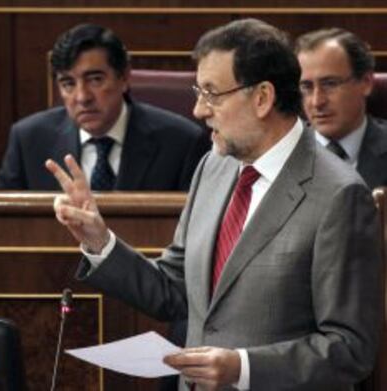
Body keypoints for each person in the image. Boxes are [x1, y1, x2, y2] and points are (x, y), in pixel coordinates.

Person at [46, 18, 382, 391]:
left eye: (211, 93)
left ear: (262, 98)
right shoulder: (214, 165)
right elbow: (175, 289)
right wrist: (100, 241)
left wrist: (243, 367)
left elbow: (350, 348)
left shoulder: (340, 196)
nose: (198, 110)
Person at [0, 23, 211, 191]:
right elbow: (3, 226)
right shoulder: (28, 140)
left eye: (95, 80)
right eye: (68, 84)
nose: (82, 97)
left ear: (124, 77)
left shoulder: (182, 142)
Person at [295, 27, 387, 189]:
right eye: (307, 87)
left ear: (366, 82)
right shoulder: (281, 152)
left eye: (330, 84)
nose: (317, 102)